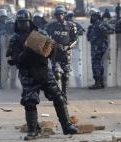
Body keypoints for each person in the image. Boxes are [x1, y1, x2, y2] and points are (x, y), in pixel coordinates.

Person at [7, 8, 77, 141]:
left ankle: (67, 126)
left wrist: (51, 47)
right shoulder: (15, 39)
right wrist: (25, 53)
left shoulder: (40, 33)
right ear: (17, 23)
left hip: (43, 70)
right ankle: (33, 131)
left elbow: (51, 54)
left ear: (30, 21)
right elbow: (12, 60)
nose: (22, 24)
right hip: (27, 73)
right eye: (20, 22)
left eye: (25, 22)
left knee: (59, 98)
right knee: (30, 102)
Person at [44, 6, 78, 102]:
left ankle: (64, 95)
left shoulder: (71, 25)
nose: (60, 16)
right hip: (55, 52)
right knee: (56, 74)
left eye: (61, 14)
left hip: (66, 52)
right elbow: (45, 36)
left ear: (64, 14)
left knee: (65, 75)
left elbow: (75, 40)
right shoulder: (51, 26)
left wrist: (69, 46)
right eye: (58, 14)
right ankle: (58, 95)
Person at [87, 8, 110, 89]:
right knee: (99, 65)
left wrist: (99, 39)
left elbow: (107, 32)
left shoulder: (99, 24)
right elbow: (89, 37)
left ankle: (98, 83)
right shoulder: (93, 26)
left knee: (96, 65)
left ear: (97, 16)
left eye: (93, 16)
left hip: (98, 48)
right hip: (97, 48)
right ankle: (101, 82)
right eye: (92, 16)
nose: (92, 18)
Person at [0, 17, 18, 89]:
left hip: (14, 55)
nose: (10, 26)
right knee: (4, 72)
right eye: (9, 24)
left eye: (12, 24)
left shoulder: (17, 33)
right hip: (4, 55)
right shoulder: (2, 33)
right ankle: (3, 85)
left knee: (13, 71)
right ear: (6, 25)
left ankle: (13, 85)